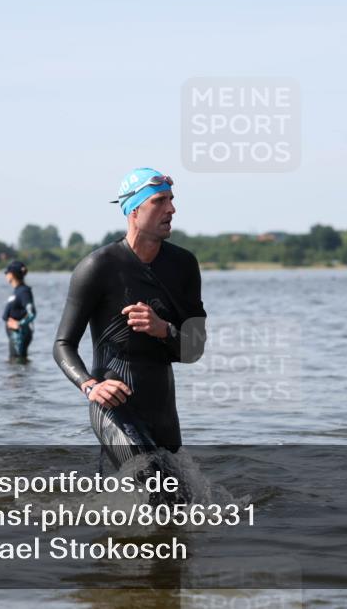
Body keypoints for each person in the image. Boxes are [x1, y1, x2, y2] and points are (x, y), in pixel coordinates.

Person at [53, 168, 206, 472]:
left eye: (171, 200)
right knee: (156, 488)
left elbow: (194, 351)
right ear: (134, 210)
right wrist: (89, 386)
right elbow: (63, 345)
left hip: (163, 409)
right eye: (160, 201)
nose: (171, 209)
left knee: (181, 506)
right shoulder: (98, 267)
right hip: (113, 405)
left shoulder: (184, 265)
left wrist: (163, 329)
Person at [2, 260, 36, 361]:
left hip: (19, 336)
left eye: (6, 272)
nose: (5, 275)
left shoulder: (23, 291)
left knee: (17, 363)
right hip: (15, 335)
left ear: (12, 274)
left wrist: (19, 324)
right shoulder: (17, 291)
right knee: (15, 365)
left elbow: (32, 313)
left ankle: (24, 377)